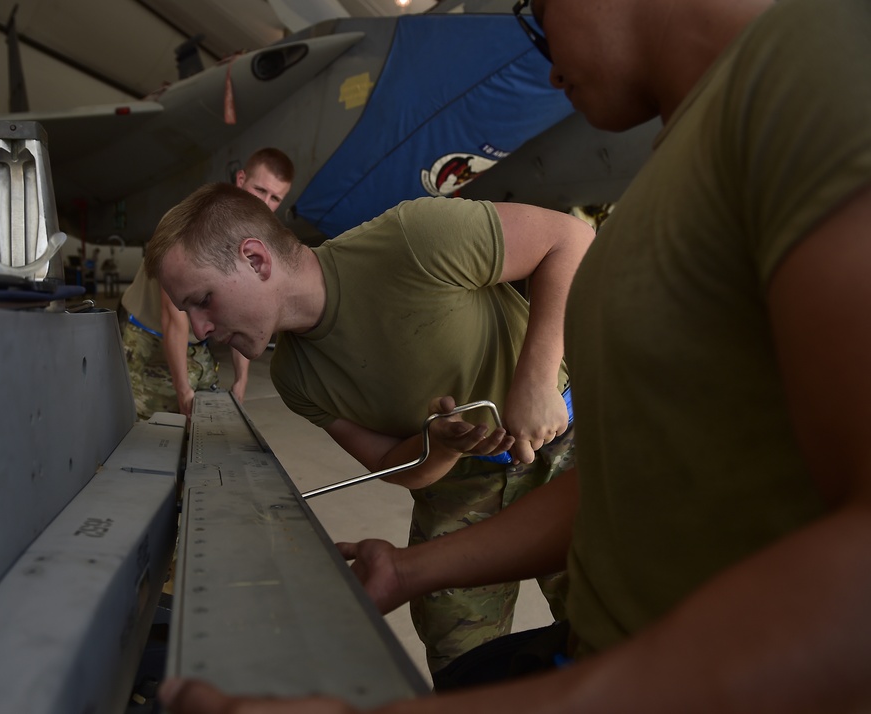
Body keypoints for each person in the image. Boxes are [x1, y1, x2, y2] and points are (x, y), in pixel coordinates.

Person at [154, 0, 871, 711]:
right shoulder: (685, 154)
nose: (543, 60)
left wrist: (534, 380)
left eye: (536, 7)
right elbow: (631, 478)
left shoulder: (816, 64)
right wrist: (411, 563)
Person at [145, 179, 593, 670]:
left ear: (256, 260)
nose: (200, 328)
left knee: (613, 624)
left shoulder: (411, 238)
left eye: (202, 299)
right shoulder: (297, 378)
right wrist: (439, 447)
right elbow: (390, 464)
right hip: (457, 491)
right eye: (188, 310)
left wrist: (536, 378)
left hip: (569, 455)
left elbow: (569, 239)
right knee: (461, 662)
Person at [120, 148, 293, 417]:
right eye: (260, 190)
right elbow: (173, 316)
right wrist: (182, 390)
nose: (265, 203)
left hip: (197, 347)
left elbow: (243, 313)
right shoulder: (191, 225)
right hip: (150, 344)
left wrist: (241, 378)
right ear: (240, 179)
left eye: (275, 198)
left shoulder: (255, 241)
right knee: (152, 438)